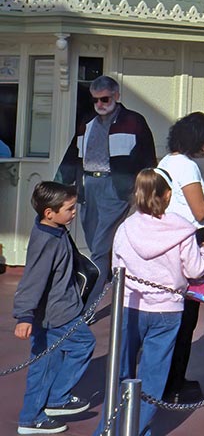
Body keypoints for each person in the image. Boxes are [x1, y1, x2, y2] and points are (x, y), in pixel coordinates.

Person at [110, 169, 204, 436]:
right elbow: (194, 269)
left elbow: (116, 267)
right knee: (153, 377)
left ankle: (110, 426)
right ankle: (138, 428)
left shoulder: (125, 227)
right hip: (168, 307)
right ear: (167, 195)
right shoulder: (182, 228)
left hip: (131, 304)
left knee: (121, 370)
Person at [55, 75, 157, 307]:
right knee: (95, 244)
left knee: (100, 247)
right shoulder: (87, 121)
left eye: (104, 99)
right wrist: (59, 185)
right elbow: (73, 155)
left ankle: (87, 307)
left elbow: (148, 159)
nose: (99, 104)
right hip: (87, 186)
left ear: (116, 96)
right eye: (95, 100)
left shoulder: (134, 121)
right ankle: (109, 279)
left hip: (117, 188)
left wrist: (145, 190)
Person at [13, 182, 94, 435]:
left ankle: (31, 417)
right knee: (83, 344)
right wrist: (24, 316)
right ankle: (57, 399)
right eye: (69, 209)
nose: (73, 213)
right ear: (50, 212)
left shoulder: (54, 230)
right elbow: (33, 279)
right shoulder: (47, 241)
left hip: (54, 312)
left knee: (44, 364)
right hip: (58, 313)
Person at [156, 112, 204, 403]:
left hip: (166, 239)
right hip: (187, 240)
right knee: (186, 318)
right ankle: (175, 383)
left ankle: (167, 379)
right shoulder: (187, 166)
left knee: (172, 316)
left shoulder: (166, 162)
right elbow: (200, 211)